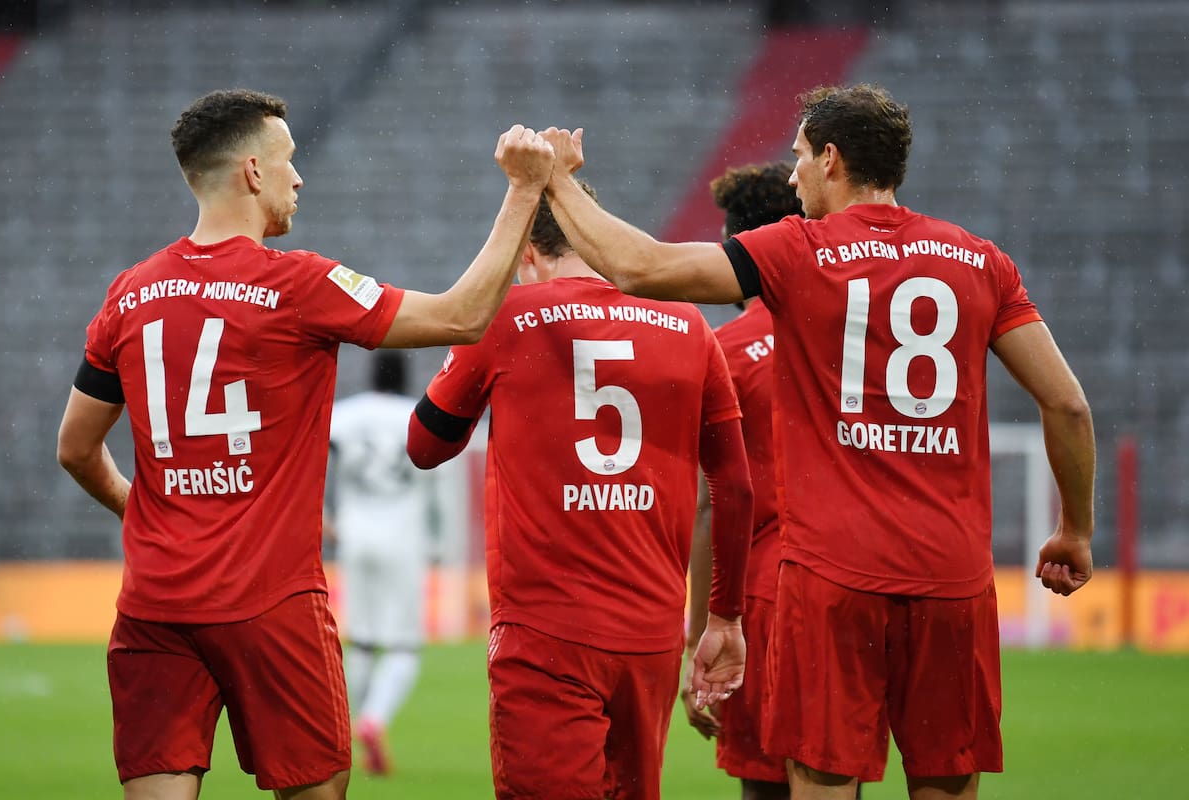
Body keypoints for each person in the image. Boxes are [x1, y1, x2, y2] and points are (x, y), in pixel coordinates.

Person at [538, 83, 1095, 800]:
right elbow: (1068, 404)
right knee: (946, 781)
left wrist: (556, 181)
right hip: (953, 579)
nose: (792, 173)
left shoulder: (800, 251)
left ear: (831, 159)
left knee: (822, 783)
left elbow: (641, 266)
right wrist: (1075, 529)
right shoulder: (981, 261)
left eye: (799, 156)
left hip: (834, 579)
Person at [55, 88, 553, 799]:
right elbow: (461, 317)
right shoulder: (300, 285)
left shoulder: (129, 295)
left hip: (155, 605)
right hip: (271, 603)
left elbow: (75, 448)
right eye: (289, 161)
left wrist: (141, 514)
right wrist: (523, 190)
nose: (299, 177)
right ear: (253, 172)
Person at [405, 182, 755, 800]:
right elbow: (733, 484)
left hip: (546, 631)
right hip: (650, 639)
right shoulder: (688, 324)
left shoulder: (506, 318)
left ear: (525, 254)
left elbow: (425, 446)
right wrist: (723, 615)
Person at [682, 161, 829, 800]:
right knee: (834, 774)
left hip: (766, 593)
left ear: (738, 249)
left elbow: (714, 506)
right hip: (854, 581)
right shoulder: (845, 335)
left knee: (766, 785)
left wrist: (697, 636)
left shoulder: (724, 351)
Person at [325, 350, 432, 777]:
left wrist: (321, 516)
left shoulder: (346, 415)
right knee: (405, 646)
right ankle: (374, 719)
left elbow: (309, 453)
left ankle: (340, 727)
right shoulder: (416, 414)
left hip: (354, 536)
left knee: (363, 640)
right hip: (403, 538)